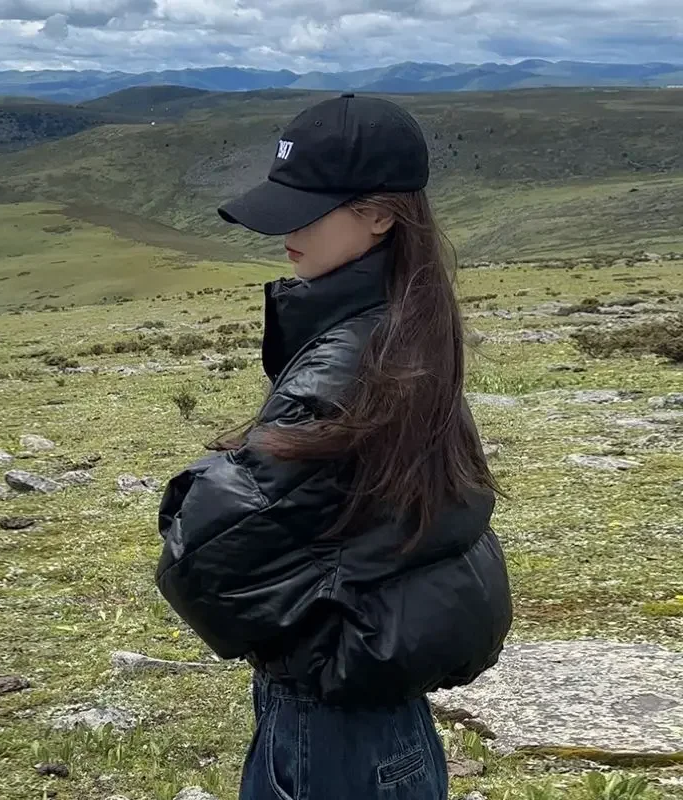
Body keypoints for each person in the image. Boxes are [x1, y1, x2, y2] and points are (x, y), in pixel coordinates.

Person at [156, 93, 512, 800]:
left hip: (334, 733)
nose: (283, 231)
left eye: (309, 206)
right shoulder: (409, 331)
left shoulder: (349, 366)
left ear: (380, 214)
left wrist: (313, 652)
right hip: (380, 719)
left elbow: (201, 554)